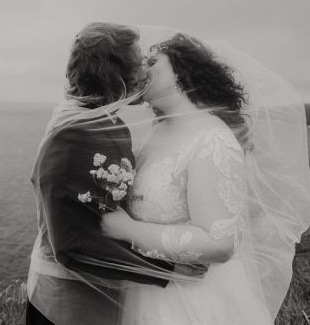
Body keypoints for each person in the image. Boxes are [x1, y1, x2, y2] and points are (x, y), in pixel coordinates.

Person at [101, 32, 310, 324]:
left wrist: (126, 230)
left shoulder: (212, 138)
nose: (141, 69)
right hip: (151, 290)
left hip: (193, 302)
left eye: (152, 62)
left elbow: (219, 242)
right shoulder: (157, 131)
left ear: (182, 71)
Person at [25, 23, 204, 325]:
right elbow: (72, 246)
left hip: (107, 297)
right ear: (113, 73)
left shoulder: (107, 123)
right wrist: (165, 269)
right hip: (68, 305)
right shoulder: (72, 137)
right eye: (137, 62)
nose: (145, 71)